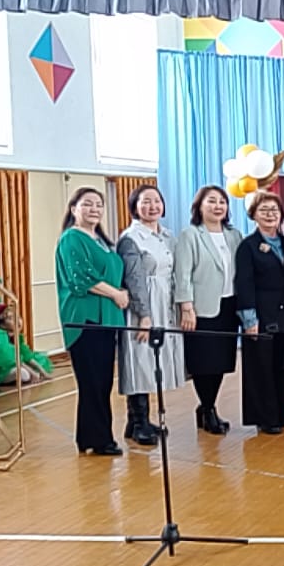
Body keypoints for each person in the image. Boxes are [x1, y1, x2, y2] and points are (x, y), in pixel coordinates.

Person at [55, 186, 127, 456]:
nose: (94, 209)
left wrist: (121, 292)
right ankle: (99, 439)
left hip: (107, 319)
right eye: (87, 204)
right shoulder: (71, 238)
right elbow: (81, 278)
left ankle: (91, 436)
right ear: (74, 208)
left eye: (99, 204)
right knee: (92, 382)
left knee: (102, 382)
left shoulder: (101, 241)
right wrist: (116, 294)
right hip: (86, 319)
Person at [116, 185, 183, 447]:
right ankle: (138, 421)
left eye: (156, 201)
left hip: (165, 301)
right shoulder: (131, 238)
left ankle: (138, 420)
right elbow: (134, 279)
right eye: (145, 202)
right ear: (134, 206)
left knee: (155, 360)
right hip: (143, 303)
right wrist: (144, 315)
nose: (152, 206)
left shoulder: (167, 236)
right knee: (139, 359)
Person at [174, 185, 243, 435]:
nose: (217, 206)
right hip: (201, 308)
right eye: (211, 201)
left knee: (221, 361)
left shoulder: (234, 235)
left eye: (222, 202)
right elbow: (182, 274)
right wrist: (186, 307)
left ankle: (207, 407)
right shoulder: (191, 235)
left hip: (229, 306)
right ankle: (207, 408)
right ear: (199, 207)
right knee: (203, 362)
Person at [235, 191, 284, 434]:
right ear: (253, 215)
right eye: (264, 210)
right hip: (260, 316)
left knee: (282, 366)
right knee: (261, 369)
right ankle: (265, 417)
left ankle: (281, 411)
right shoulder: (248, 246)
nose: (270, 215)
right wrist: (250, 320)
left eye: (274, 210)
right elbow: (244, 284)